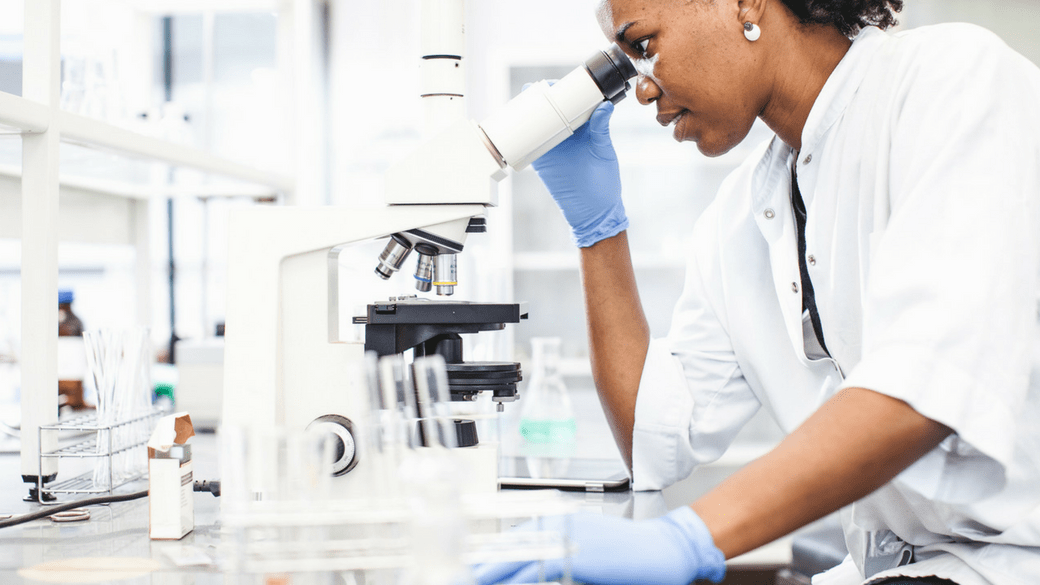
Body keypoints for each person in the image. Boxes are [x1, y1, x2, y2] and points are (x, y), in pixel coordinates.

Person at [475, 0, 1040, 584]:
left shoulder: (953, 81)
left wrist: (689, 537)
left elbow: (927, 384)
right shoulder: (743, 211)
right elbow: (654, 440)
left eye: (643, 46)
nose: (641, 89)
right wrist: (598, 230)